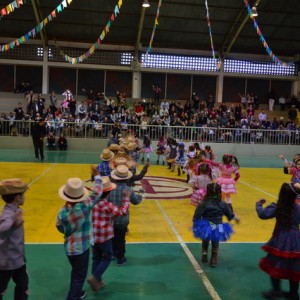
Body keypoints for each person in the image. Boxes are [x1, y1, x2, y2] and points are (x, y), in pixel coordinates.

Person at [56, 166, 103, 300]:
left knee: (76, 272)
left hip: (69, 248)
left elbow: (59, 227)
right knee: (79, 275)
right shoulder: (84, 207)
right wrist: (97, 177)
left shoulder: (62, 211)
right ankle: (73, 297)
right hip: (81, 248)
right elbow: (97, 193)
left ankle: (78, 292)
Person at [256, 183, 300, 300]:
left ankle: (276, 291)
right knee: (295, 266)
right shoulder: (298, 207)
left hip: (280, 240)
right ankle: (293, 294)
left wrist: (259, 204)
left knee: (275, 263)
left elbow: (262, 214)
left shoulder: (277, 207)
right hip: (296, 240)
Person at [87, 177, 130, 292]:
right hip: (105, 237)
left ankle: (98, 281)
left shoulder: (92, 202)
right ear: (109, 192)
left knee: (96, 258)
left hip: (93, 236)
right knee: (107, 257)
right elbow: (122, 211)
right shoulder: (107, 205)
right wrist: (126, 198)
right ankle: (95, 277)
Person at [192, 183, 240, 267]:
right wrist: (236, 219)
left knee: (205, 238)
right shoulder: (222, 204)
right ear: (219, 193)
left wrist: (196, 223)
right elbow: (230, 214)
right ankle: (214, 258)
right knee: (215, 240)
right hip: (218, 226)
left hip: (206, 225)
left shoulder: (203, 203)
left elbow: (197, 216)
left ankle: (204, 252)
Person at [0, 179, 29, 300]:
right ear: (18, 197)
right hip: (7, 262)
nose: (24, 198)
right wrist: (13, 223)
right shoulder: (8, 214)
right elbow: (2, 228)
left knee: (23, 286)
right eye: (23, 195)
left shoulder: (15, 211)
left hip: (18, 260)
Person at [108, 165, 143, 265]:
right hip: (123, 219)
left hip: (110, 219)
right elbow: (136, 202)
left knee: (111, 237)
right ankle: (121, 258)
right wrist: (141, 195)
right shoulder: (129, 189)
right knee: (121, 239)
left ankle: (112, 254)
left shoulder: (109, 188)